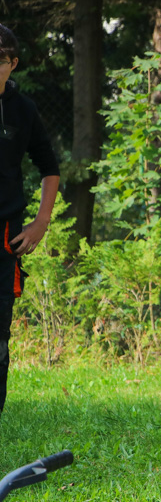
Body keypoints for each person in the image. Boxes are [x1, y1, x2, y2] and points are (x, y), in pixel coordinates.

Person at [0, 23, 60, 421]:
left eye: (0, 59)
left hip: (5, 235)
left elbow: (49, 166)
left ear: (13, 63)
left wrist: (40, 222)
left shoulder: (23, 110)